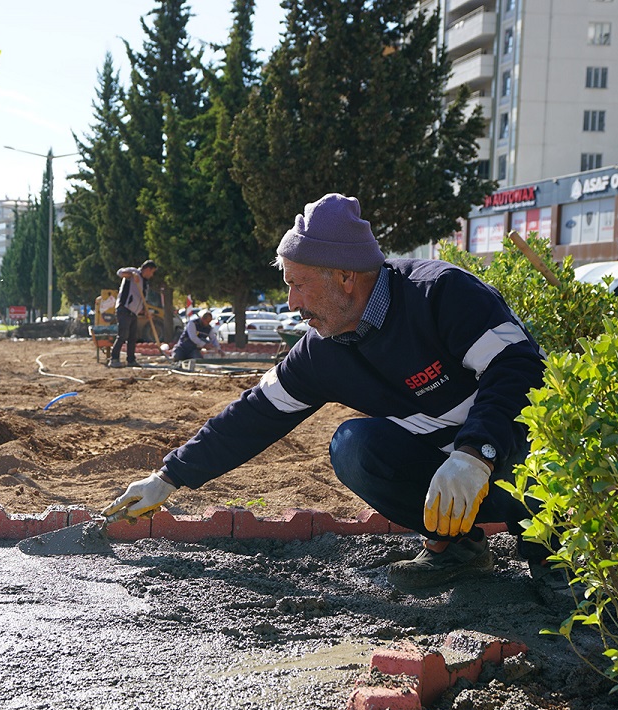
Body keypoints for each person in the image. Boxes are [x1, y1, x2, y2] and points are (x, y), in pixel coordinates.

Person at [104, 193, 551, 588]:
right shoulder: (322, 350)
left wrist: (476, 454)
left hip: (517, 457)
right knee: (354, 447)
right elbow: (253, 414)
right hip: (452, 478)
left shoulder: (439, 294)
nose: (292, 303)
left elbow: (518, 369)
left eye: (298, 285)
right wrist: (168, 478)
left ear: (345, 277)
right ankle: (457, 550)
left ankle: (554, 559)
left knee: (539, 480)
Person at [109, 259, 157, 368]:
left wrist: (146, 311)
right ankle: (114, 359)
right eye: (152, 272)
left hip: (134, 313)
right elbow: (120, 272)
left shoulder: (145, 284)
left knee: (132, 337)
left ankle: (131, 360)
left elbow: (143, 299)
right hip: (124, 308)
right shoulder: (134, 272)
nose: (152, 275)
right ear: (147, 269)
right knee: (123, 335)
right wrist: (132, 274)